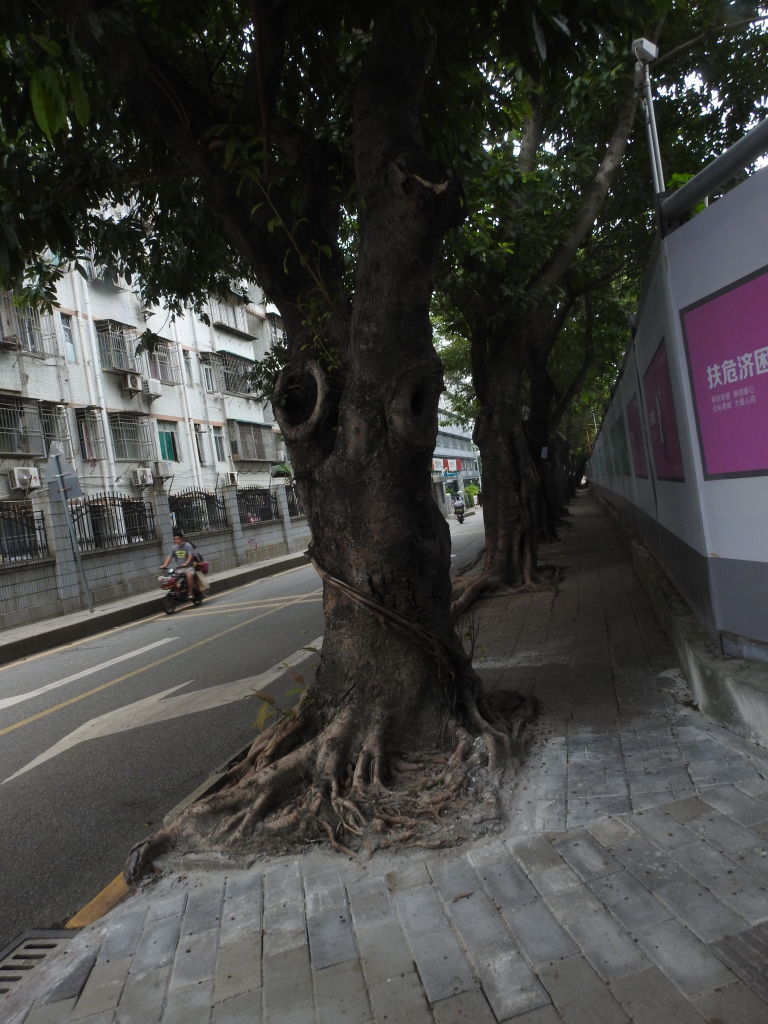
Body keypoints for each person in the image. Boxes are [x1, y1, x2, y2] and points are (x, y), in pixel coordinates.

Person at [161, 530, 199, 600]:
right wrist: (165, 565)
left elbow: (190, 556)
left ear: (182, 539)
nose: (177, 541)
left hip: (188, 567)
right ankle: (178, 591)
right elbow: (169, 557)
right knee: (171, 579)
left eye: (178, 539)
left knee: (189, 576)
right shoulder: (173, 548)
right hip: (179, 568)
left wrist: (186, 563)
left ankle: (190, 592)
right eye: (175, 539)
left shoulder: (188, 546)